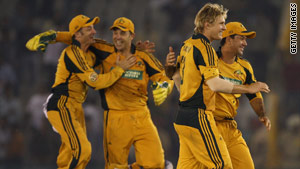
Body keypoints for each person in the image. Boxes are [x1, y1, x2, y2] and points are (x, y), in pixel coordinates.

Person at [26, 17, 174, 169]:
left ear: (132, 36)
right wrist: (54, 36)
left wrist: (164, 87)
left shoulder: (142, 56)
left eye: (122, 33)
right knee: (88, 153)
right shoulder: (102, 51)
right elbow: (77, 41)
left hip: (141, 115)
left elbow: (164, 76)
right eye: (115, 33)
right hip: (113, 117)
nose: (117, 36)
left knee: (157, 165)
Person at [164, 3, 270, 169]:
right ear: (207, 23)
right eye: (221, 23)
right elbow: (214, 84)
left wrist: (170, 70)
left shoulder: (187, 45)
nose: (223, 27)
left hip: (186, 118)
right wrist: (248, 88)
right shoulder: (206, 49)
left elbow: (177, 78)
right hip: (200, 117)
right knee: (222, 165)